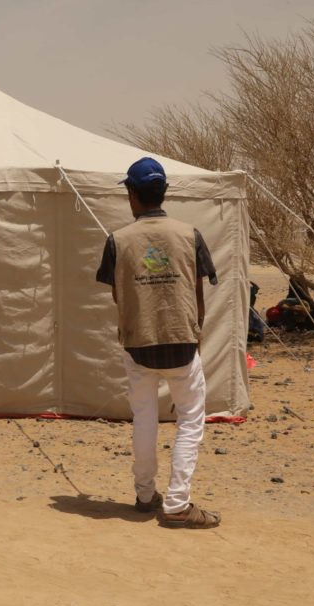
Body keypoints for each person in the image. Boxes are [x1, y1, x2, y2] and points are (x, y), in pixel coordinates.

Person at [95, 157, 221, 529]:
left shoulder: (117, 240)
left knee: (145, 419)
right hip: (182, 340)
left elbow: (119, 295)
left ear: (132, 195)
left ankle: (146, 495)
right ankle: (178, 503)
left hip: (139, 343)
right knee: (190, 420)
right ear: (164, 192)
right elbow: (197, 293)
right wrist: (195, 335)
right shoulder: (190, 234)